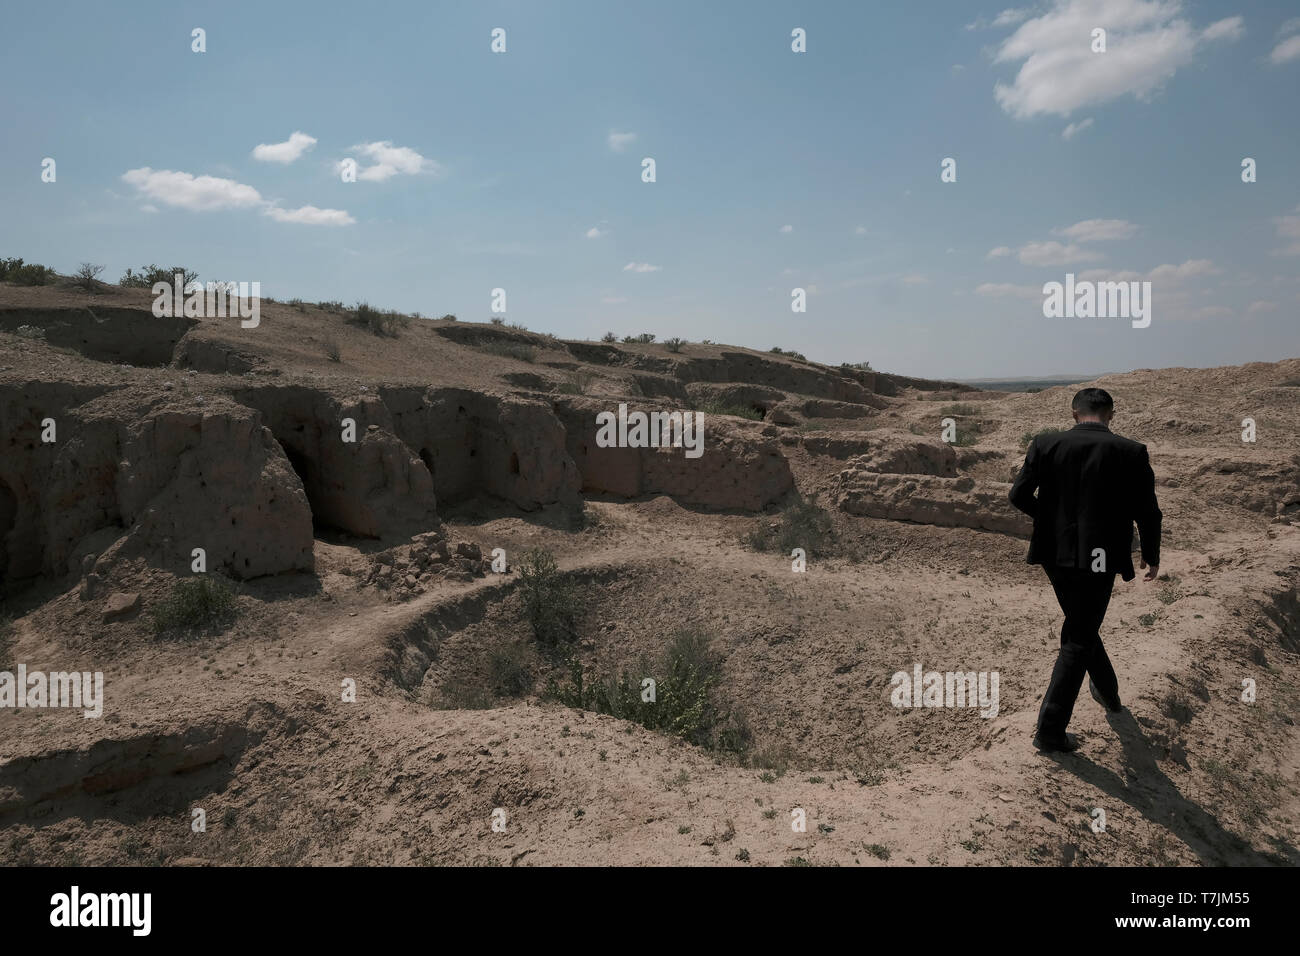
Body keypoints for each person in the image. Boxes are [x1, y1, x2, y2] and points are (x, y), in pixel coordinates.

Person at [1009, 387, 1162, 752]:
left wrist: (1052, 523)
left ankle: (1108, 693)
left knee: (1081, 623)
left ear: (1074, 413)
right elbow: (1148, 510)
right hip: (1100, 556)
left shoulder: (1044, 444)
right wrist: (1151, 554)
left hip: (1054, 553)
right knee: (1080, 634)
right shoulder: (1130, 451)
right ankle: (1050, 730)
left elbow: (1017, 495)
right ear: (1110, 414)